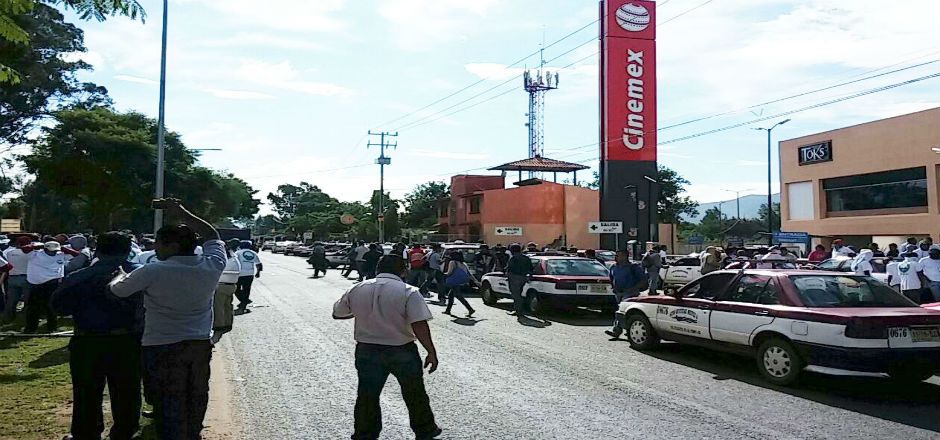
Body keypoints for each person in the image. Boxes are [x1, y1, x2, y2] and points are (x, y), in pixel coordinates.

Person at [108, 199, 225, 440]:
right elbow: (212, 234)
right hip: (199, 344)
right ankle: (192, 434)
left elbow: (119, 290)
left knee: (166, 398)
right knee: (196, 394)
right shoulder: (212, 265)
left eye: (158, 243)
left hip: (161, 345)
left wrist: (118, 276)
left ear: (171, 245)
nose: (156, 248)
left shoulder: (154, 271)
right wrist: (182, 212)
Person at [332, 255, 442, 440]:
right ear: (403, 270)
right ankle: (425, 430)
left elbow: (338, 314)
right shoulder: (409, 291)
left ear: (377, 269)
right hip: (401, 350)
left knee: (367, 395)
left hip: (367, 350)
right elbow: (419, 324)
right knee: (414, 393)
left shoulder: (357, 289)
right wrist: (431, 351)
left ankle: (365, 434)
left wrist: (364, 313)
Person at [50, 232, 143, 440]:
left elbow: (59, 307)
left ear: (97, 250)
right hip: (127, 341)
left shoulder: (78, 276)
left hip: (87, 340)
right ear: (129, 251)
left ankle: (86, 433)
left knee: (85, 392)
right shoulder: (140, 275)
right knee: (127, 392)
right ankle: (125, 433)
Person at [23, 241, 79, 333]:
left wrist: (63, 248)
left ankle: (51, 327)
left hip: (53, 284)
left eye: (55, 251)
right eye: (51, 250)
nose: (53, 252)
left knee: (52, 307)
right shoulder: (35, 254)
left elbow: (76, 254)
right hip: (37, 285)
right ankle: (30, 329)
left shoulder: (60, 254)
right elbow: (25, 249)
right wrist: (38, 245)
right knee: (33, 308)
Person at [214, 240, 241, 340]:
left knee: (218, 306)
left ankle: (219, 325)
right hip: (232, 285)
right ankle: (228, 323)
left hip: (221, 285)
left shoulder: (224, 259)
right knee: (228, 305)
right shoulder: (234, 258)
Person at [2, 236, 31, 323]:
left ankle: (8, 318)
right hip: (26, 277)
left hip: (12, 277)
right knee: (27, 300)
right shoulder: (30, 253)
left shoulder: (9, 252)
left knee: (11, 300)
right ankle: (26, 318)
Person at [442, 252, 477, 317]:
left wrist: (444, 274)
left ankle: (470, 309)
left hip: (454, 281)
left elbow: (450, 272)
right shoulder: (463, 264)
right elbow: (469, 274)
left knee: (458, 296)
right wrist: (476, 281)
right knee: (451, 295)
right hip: (460, 281)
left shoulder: (452, 262)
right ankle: (448, 310)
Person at [505, 243, 533, 317]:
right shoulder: (526, 258)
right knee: (519, 294)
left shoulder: (513, 258)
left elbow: (509, 269)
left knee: (516, 295)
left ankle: (518, 311)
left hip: (514, 277)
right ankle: (518, 309)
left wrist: (507, 276)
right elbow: (530, 268)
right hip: (523, 278)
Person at [234, 240, 262, 313]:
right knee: (246, 290)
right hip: (250, 274)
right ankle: (244, 302)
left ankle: (244, 302)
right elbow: (259, 264)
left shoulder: (237, 253)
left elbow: (234, 262)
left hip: (239, 274)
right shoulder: (253, 253)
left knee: (236, 289)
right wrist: (258, 272)